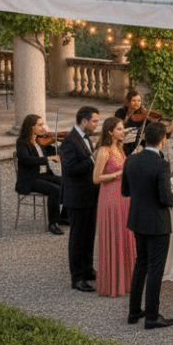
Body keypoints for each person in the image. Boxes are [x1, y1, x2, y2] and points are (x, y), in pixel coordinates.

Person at [124, 121, 173, 329]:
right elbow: (165, 199)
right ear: (163, 139)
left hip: (137, 219)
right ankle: (152, 316)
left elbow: (125, 191)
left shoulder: (131, 160)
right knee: (155, 269)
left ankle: (134, 311)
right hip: (157, 222)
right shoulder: (160, 164)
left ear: (145, 138)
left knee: (141, 264)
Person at [60, 105, 101, 292]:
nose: (96, 125)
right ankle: (76, 278)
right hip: (76, 197)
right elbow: (69, 169)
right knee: (77, 238)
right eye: (94, 121)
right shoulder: (69, 141)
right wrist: (92, 160)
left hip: (90, 195)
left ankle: (87, 268)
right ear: (84, 121)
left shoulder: (86, 138)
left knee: (89, 235)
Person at [93, 116, 133, 297]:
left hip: (123, 196)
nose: (123, 131)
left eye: (122, 128)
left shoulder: (119, 148)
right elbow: (96, 178)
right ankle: (113, 283)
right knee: (114, 236)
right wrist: (118, 173)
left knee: (125, 235)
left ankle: (127, 280)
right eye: (119, 129)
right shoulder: (104, 151)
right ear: (110, 132)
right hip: (110, 198)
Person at [15, 113, 63, 235]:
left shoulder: (40, 141)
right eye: (40, 125)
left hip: (44, 175)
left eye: (43, 124)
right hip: (30, 179)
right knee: (55, 190)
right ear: (31, 127)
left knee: (68, 183)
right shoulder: (22, 142)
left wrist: (60, 141)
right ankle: (53, 223)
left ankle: (63, 216)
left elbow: (57, 152)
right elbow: (26, 159)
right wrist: (49, 158)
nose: (43, 127)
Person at [114, 89, 147, 155]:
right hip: (124, 140)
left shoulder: (142, 113)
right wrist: (129, 115)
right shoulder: (120, 112)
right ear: (128, 102)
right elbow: (118, 126)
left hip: (139, 142)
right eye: (134, 101)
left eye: (139, 101)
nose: (137, 103)